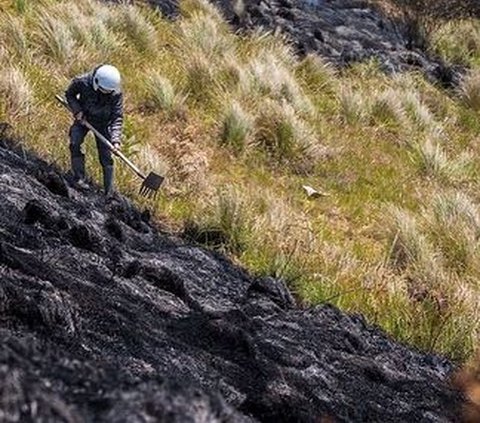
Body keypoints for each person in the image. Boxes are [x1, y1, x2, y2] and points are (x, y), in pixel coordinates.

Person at [65, 64, 123, 196]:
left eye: (109, 92)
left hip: (103, 123)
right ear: (96, 82)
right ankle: (79, 179)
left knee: (106, 156)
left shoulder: (115, 93)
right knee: (75, 142)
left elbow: (117, 117)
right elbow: (70, 95)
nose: (107, 94)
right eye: (104, 91)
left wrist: (115, 140)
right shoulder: (82, 82)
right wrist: (77, 110)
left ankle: (109, 192)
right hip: (83, 118)